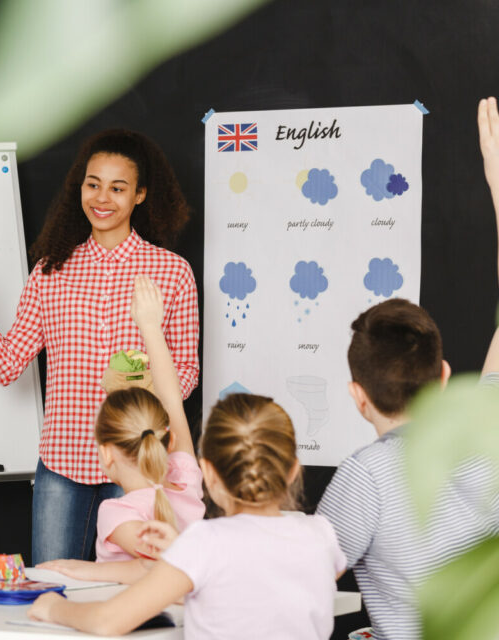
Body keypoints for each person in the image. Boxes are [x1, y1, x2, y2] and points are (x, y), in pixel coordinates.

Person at [0, 129, 200, 563]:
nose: (102, 197)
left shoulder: (172, 272)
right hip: (62, 461)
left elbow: (186, 372)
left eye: (118, 188)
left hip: (138, 462)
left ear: (140, 195)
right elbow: (6, 365)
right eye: (93, 184)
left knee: (137, 587)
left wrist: (146, 383)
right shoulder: (51, 271)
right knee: (52, 585)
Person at [315, 97, 499, 639]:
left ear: (357, 395)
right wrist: (497, 183)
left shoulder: (362, 478)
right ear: (443, 375)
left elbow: (297, 578)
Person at [28, 392, 346, 639]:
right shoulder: (321, 535)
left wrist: (54, 607)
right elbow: (262, 587)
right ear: (293, 471)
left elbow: (107, 621)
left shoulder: (203, 546)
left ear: (209, 473)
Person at [36, 275, 202, 580]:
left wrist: (82, 570)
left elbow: (164, 568)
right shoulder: (185, 480)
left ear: (105, 453)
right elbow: (171, 399)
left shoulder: (117, 513)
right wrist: (151, 327)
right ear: (171, 439)